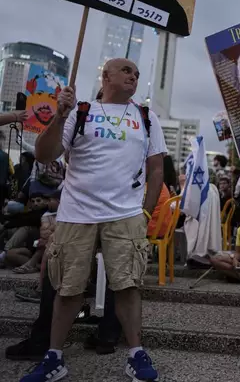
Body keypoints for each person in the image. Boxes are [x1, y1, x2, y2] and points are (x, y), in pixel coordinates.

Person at [24, 58, 166, 382]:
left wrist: (145, 212)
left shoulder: (146, 117)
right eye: (126, 70)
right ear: (106, 76)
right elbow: (44, 155)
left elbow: (156, 169)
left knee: (128, 286)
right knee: (68, 288)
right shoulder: (80, 112)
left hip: (126, 215)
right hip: (78, 214)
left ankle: (136, 354)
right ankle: (54, 357)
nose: (134, 76)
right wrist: (59, 116)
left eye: (137, 73)